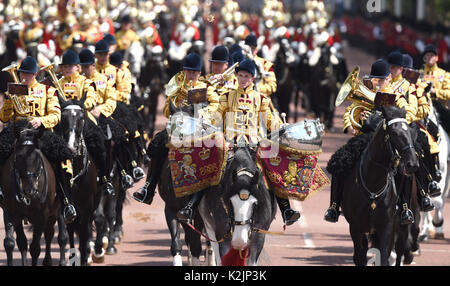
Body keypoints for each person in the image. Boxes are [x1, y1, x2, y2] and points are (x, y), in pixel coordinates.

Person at [201, 59, 301, 226]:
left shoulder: (261, 99)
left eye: (246, 76)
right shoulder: (227, 97)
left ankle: (286, 210)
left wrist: (282, 126)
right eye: (240, 75)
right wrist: (206, 121)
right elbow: (216, 116)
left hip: (253, 148)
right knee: (211, 171)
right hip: (231, 148)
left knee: (272, 171)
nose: (242, 79)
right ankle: (194, 206)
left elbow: (270, 122)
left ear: (252, 78)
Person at [324, 59, 416, 224]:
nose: (379, 83)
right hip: (364, 139)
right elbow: (350, 110)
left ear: (388, 78)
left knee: (403, 169)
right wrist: (352, 125)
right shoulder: (365, 92)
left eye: (382, 80)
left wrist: (384, 117)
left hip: (387, 140)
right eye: (376, 80)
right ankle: (334, 206)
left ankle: (404, 208)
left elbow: (407, 112)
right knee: (339, 161)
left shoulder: (397, 95)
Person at [133, 53, 219, 209]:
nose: (191, 75)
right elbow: (166, 110)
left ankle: (213, 190)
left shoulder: (205, 87)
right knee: (159, 145)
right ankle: (149, 186)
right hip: (179, 125)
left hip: (198, 126)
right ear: (184, 71)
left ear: (199, 73)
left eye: (194, 72)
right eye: (188, 72)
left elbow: (216, 104)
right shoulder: (177, 86)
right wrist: (175, 107)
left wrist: (203, 112)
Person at [0, 56, 76, 223]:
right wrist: (7, 102)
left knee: (61, 158)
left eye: (27, 74)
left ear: (35, 74)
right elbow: (4, 118)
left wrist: (41, 120)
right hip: (18, 130)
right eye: (21, 74)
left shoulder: (47, 90)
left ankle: (66, 201)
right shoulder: (15, 89)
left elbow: (56, 115)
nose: (23, 77)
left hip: (40, 131)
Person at [78, 48, 117, 195]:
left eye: (87, 66)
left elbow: (112, 101)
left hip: (101, 117)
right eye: (81, 66)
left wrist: (100, 110)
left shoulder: (105, 80)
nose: (84, 70)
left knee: (110, 140)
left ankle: (112, 174)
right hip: (80, 118)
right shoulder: (77, 81)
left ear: (93, 65)